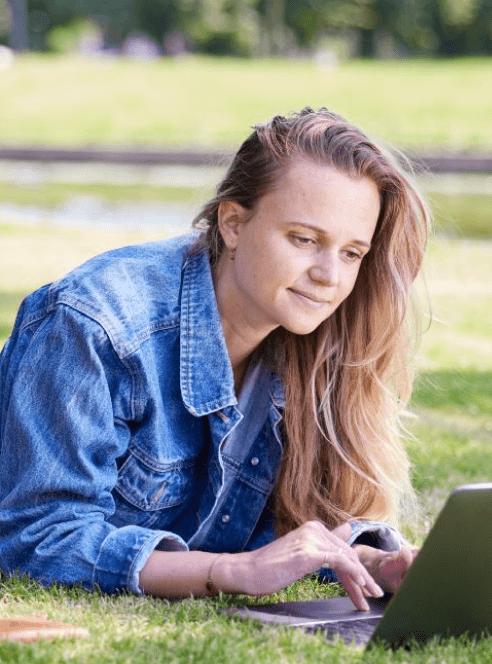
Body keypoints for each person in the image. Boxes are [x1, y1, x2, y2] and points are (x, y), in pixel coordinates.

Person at [0, 108, 429, 611]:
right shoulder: (97, 323)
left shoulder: (315, 338)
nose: (329, 276)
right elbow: (35, 539)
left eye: (352, 252)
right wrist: (230, 572)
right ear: (232, 223)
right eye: (305, 239)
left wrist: (371, 563)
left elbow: (290, 529)